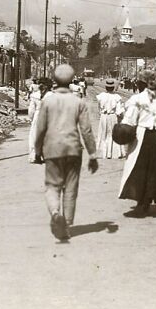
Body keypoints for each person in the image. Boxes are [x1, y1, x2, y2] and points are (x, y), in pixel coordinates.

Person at [34, 64, 98, 241]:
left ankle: (55, 214)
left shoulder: (48, 101)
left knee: (52, 186)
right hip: (73, 149)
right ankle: (67, 225)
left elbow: (40, 129)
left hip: (52, 149)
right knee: (71, 188)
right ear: (71, 81)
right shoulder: (79, 102)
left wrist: (37, 150)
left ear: (54, 80)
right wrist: (93, 154)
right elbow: (86, 130)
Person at [119, 69, 156, 216]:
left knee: (139, 168)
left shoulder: (138, 99)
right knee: (155, 169)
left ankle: (141, 201)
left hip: (141, 136)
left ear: (143, 83)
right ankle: (147, 200)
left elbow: (129, 120)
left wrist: (125, 133)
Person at [96, 78, 125, 159]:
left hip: (104, 116)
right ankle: (113, 153)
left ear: (106, 87)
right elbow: (119, 111)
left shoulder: (101, 96)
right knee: (112, 133)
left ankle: (103, 153)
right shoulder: (117, 97)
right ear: (113, 88)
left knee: (103, 133)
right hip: (113, 116)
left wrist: (102, 112)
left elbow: (98, 108)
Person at [28, 77, 53, 163]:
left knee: (35, 136)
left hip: (37, 116)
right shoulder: (52, 96)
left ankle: (36, 154)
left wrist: (31, 118)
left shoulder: (34, 96)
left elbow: (31, 110)